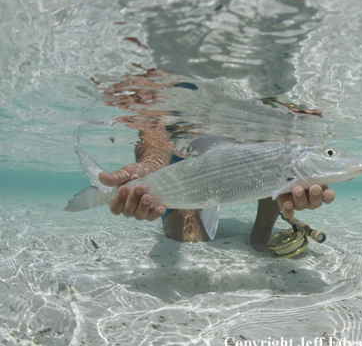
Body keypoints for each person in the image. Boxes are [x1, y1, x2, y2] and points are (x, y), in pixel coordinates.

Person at [95, 68, 336, 252]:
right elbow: (154, 131)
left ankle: (263, 228)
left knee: (275, 161)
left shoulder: (281, 92)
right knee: (188, 237)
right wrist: (152, 165)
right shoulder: (170, 81)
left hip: (257, 160)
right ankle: (183, 205)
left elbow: (287, 151)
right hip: (187, 162)